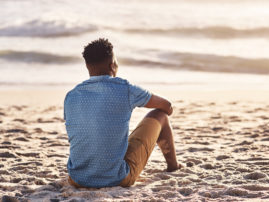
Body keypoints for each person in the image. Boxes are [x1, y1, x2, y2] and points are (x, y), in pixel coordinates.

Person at [64, 38, 181, 188]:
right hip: (116, 178)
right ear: (112, 65)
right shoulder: (125, 89)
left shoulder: (71, 95)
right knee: (160, 115)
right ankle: (173, 166)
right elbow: (167, 106)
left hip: (77, 179)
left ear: (87, 66)